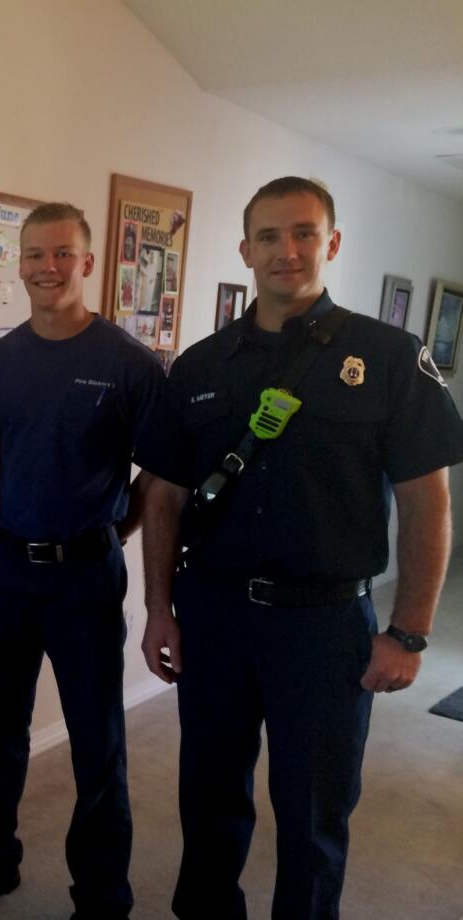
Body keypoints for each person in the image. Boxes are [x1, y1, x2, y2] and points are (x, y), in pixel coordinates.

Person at [136, 176, 463, 919]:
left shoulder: (386, 356)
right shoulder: (199, 366)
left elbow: (426, 500)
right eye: (271, 236)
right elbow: (163, 497)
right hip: (215, 616)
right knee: (209, 796)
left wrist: (409, 630)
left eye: (305, 233)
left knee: (314, 814)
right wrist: (160, 608)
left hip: (324, 628)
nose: (289, 251)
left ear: (332, 243)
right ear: (246, 249)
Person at [0, 202, 164, 920]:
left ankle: (102, 895)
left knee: (98, 746)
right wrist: (10, 510)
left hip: (85, 578)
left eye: (63, 253)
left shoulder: (130, 365)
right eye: (35, 254)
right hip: (7, 572)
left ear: (88, 262)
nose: (48, 266)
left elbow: (159, 477)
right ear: (20, 263)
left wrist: (113, 531)